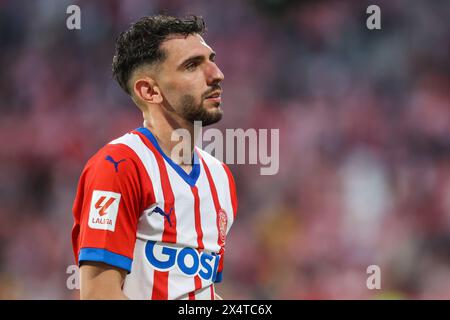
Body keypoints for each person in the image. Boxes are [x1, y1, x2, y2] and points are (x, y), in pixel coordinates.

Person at [71, 15, 238, 300]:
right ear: (149, 90)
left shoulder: (220, 177)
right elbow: (99, 295)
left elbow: (196, 291)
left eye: (211, 59)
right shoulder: (119, 167)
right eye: (192, 66)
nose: (216, 74)